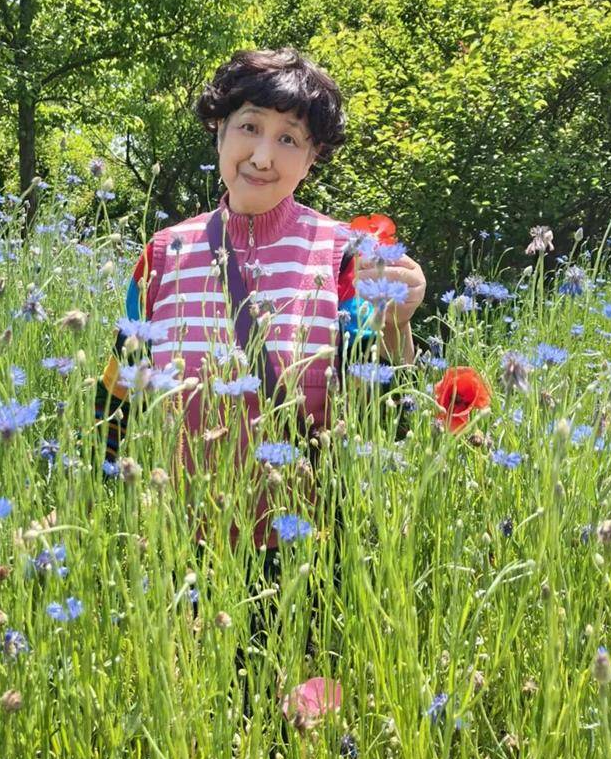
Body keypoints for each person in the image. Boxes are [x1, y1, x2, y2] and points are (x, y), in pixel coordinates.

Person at [94, 47, 426, 556]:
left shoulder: (345, 257)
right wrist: (101, 516)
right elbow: (117, 402)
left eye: (288, 138)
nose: (263, 156)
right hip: (177, 554)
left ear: (311, 158)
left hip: (305, 558)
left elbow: (386, 426)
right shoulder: (162, 254)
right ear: (220, 131)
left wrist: (395, 328)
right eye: (249, 127)